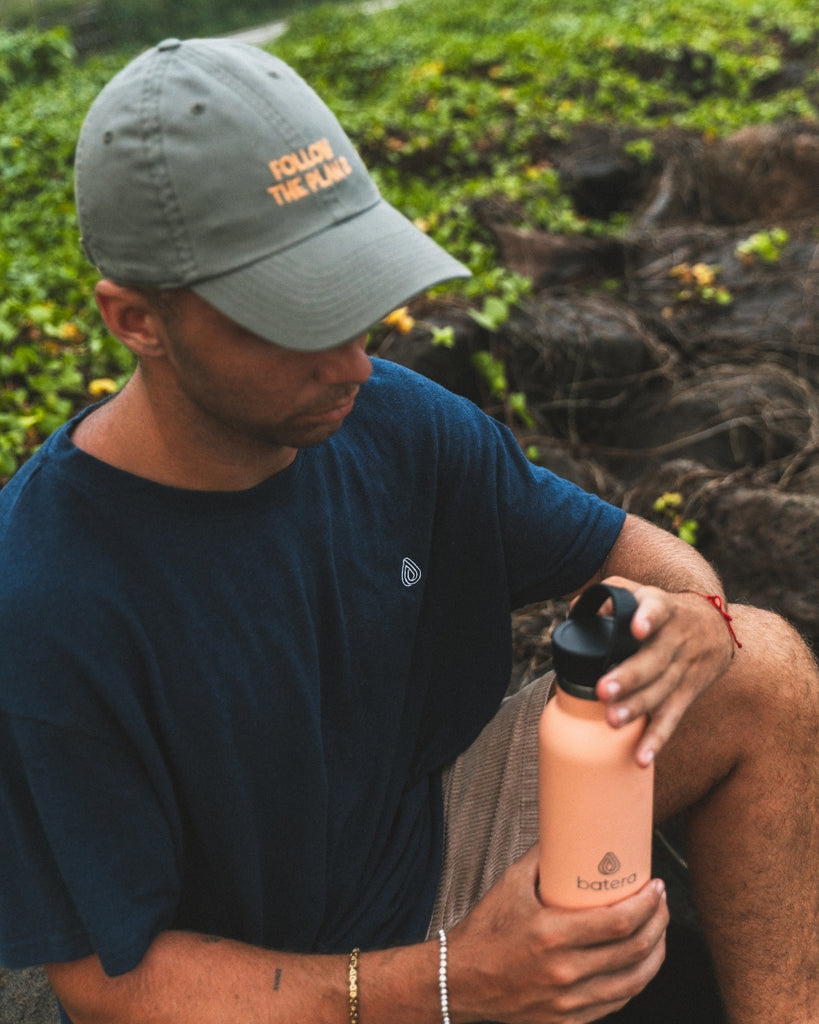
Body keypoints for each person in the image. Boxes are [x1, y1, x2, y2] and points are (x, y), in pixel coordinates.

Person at [0, 36, 817, 1024]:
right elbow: (112, 984)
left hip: (425, 845)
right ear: (136, 319)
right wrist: (447, 980)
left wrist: (694, 614)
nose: (351, 361)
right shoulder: (47, 595)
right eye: (295, 320)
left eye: (357, 298)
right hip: (248, 980)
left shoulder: (395, 420)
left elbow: (645, 556)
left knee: (759, 665)